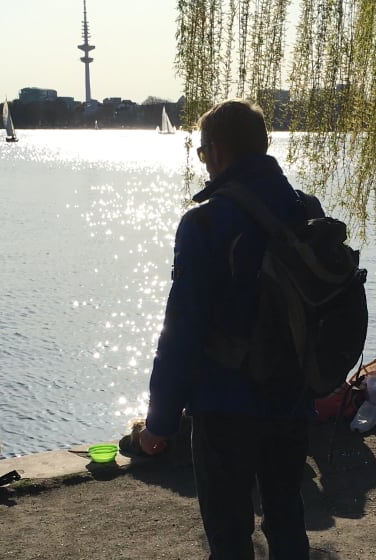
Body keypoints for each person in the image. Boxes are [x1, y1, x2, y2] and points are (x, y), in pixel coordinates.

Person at [139, 100, 319, 559]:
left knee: (229, 534)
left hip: (225, 404)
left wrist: (160, 421)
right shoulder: (305, 208)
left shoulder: (205, 221)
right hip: (293, 395)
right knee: (286, 516)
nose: (204, 164)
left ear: (216, 151)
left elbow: (181, 329)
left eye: (202, 154)